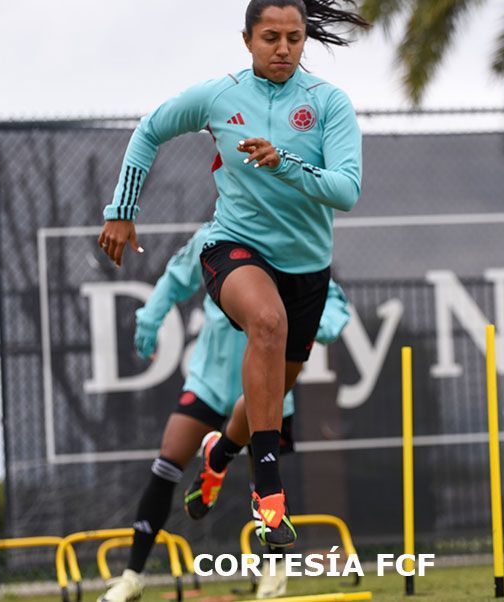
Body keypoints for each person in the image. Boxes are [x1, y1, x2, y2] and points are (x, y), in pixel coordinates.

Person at [97, 0, 366, 549]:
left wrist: (283, 162)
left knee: (263, 398)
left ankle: (220, 455)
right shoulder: (219, 97)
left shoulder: (328, 103)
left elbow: (347, 190)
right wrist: (121, 211)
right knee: (266, 323)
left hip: (307, 270)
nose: (284, 48)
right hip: (233, 247)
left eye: (294, 37)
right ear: (247, 40)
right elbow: (149, 130)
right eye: (271, 37)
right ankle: (268, 494)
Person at [99, 223, 351, 602]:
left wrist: (317, 326)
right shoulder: (213, 236)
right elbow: (175, 277)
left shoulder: (297, 240)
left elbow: (332, 302)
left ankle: (274, 571)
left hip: (267, 391)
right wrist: (150, 319)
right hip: (211, 381)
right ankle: (132, 576)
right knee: (167, 463)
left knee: (265, 478)